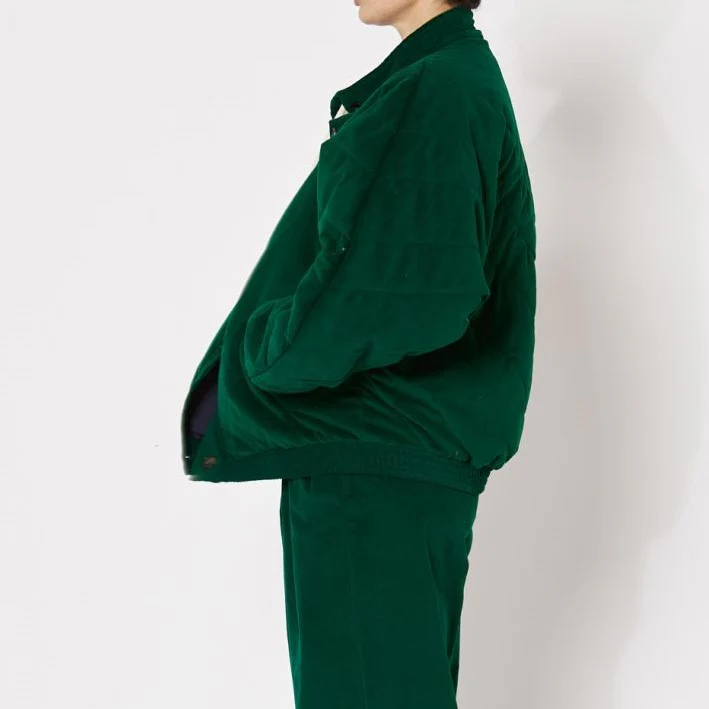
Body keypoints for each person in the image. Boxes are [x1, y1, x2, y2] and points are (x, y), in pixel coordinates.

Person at [179, 1, 536, 707]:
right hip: (389, 458)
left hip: (371, 465)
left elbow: (406, 287)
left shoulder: (437, 84)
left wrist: (261, 348)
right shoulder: (449, 78)